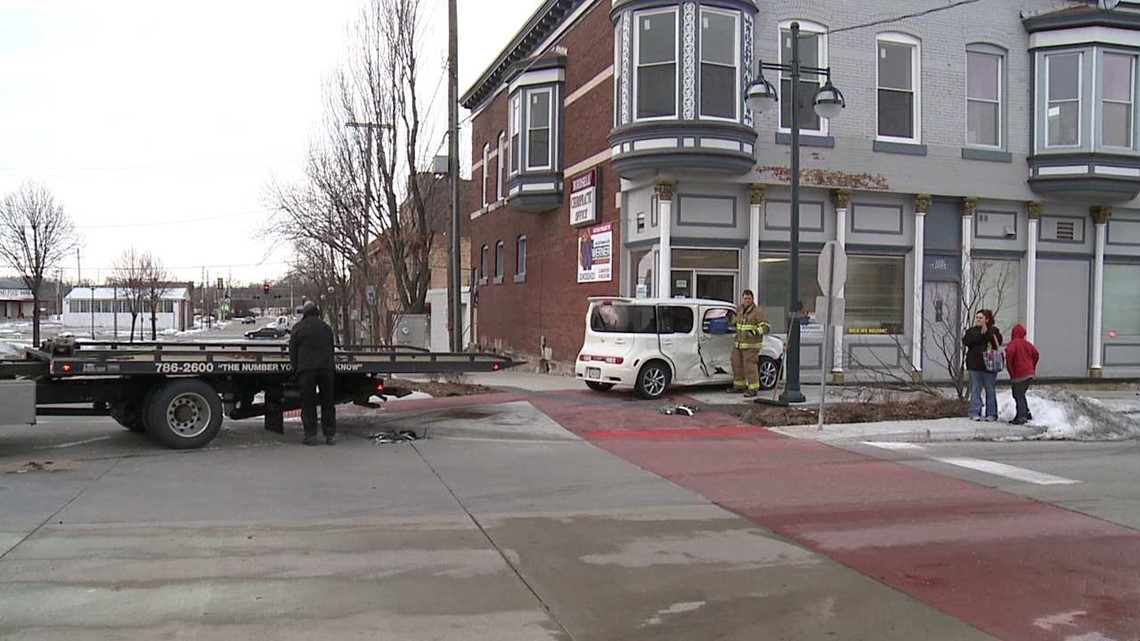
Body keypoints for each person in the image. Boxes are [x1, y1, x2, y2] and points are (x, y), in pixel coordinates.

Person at [289, 301, 337, 445]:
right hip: (326, 369)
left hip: (307, 370)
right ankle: (330, 435)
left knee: (308, 403)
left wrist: (295, 368)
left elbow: (293, 350)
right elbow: (331, 347)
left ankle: (311, 435)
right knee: (327, 402)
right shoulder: (326, 328)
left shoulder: (299, 328)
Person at [726, 289, 771, 397]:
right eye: (745, 298)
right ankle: (739, 386)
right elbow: (736, 322)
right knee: (736, 364)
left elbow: (766, 327)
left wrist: (755, 331)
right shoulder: (740, 309)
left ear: (752, 299)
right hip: (739, 344)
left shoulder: (758, 311)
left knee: (750, 367)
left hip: (751, 345)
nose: (747, 300)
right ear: (742, 299)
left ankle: (753, 389)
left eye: (749, 298)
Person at [962, 309, 1003, 422]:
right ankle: (975, 412)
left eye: (981, 318)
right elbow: (966, 341)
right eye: (977, 318)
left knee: (990, 390)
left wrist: (988, 333)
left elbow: (998, 342)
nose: (978, 320)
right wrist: (981, 334)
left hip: (989, 367)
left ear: (987, 319)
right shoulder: (972, 331)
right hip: (975, 366)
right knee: (975, 389)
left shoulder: (994, 331)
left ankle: (991, 413)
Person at [1005, 323, 1040, 425]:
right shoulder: (1027, 344)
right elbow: (1036, 355)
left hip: (1018, 374)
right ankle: (1024, 412)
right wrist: (1032, 366)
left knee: (1018, 395)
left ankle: (1021, 416)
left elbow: (1009, 358)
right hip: (1029, 373)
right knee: (1020, 394)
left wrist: (1011, 371)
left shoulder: (1013, 344)